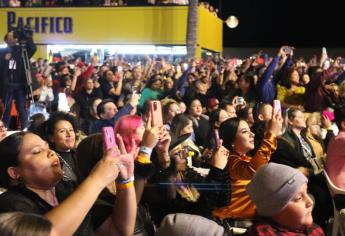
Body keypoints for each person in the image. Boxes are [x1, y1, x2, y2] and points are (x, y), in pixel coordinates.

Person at [0, 132, 137, 235]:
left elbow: (121, 230)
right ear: (15, 172)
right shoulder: (9, 204)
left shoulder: (70, 189)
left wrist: (126, 181)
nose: (51, 152)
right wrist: (97, 179)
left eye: (47, 147)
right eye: (37, 151)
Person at [212, 110, 282, 222]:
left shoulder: (245, 159)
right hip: (233, 222)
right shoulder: (228, 161)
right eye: (245, 132)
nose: (252, 134)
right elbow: (254, 170)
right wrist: (271, 134)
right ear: (232, 141)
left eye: (250, 131)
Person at [246, 163, 325, 235]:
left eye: (307, 192)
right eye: (299, 198)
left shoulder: (313, 229)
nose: (310, 202)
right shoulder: (264, 233)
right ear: (274, 209)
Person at [0, 29, 37, 129]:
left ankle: (25, 128)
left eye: (13, 36)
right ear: (6, 40)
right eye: (9, 37)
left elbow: (32, 49)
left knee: (21, 108)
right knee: (6, 109)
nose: (11, 38)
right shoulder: (2, 52)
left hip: (20, 84)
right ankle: (4, 129)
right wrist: (4, 59)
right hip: (7, 84)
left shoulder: (22, 51)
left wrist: (27, 37)